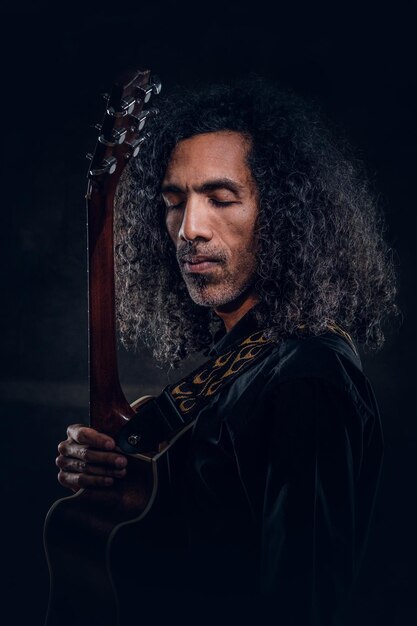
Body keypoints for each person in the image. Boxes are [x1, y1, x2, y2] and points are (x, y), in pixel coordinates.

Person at [55, 78, 399, 625]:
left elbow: (302, 603)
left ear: (285, 213)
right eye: (174, 203)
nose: (189, 229)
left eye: (220, 199)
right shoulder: (243, 360)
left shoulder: (308, 375)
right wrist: (126, 478)